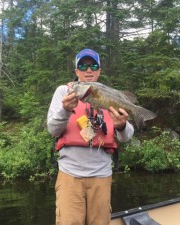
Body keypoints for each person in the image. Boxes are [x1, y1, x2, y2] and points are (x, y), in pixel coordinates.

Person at [47, 48, 134, 225]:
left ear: (99, 70)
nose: (89, 70)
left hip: (101, 175)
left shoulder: (109, 94)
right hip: (70, 175)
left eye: (93, 66)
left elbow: (126, 137)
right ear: (76, 71)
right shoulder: (64, 92)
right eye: (83, 66)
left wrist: (122, 125)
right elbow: (53, 130)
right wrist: (65, 110)